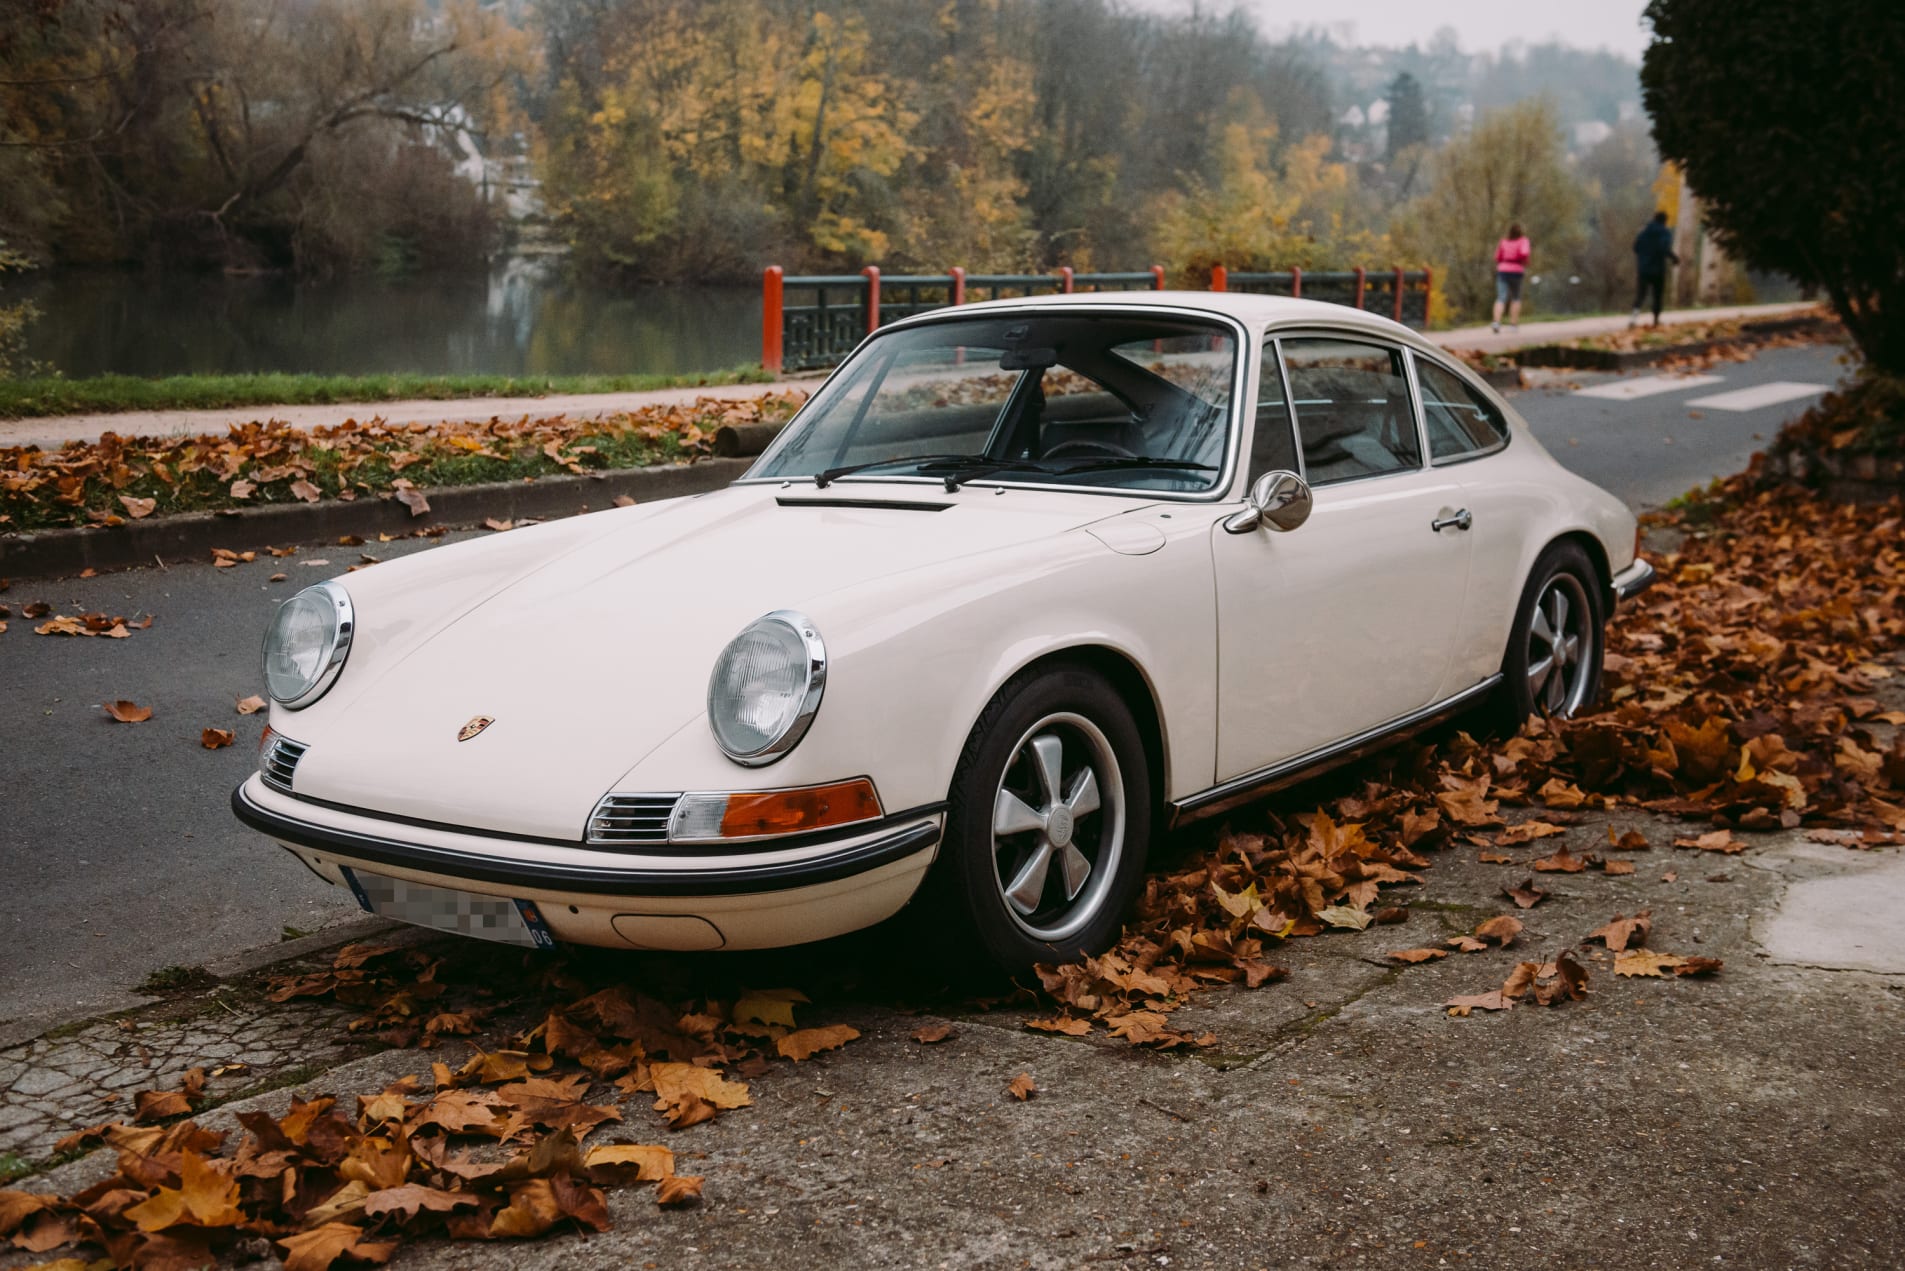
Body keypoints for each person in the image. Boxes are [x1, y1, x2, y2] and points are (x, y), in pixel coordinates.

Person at [1631, 210, 1680, 327]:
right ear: (1665, 221)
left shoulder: (1643, 232)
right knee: (1657, 295)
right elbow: (1664, 248)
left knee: (1641, 293)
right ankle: (1655, 320)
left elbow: (1635, 247)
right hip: (1658, 268)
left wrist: (1644, 257)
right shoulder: (1665, 232)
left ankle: (1633, 318)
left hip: (1643, 268)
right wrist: (1674, 258)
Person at [1492, 223, 1530, 333]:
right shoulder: (1523, 240)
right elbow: (1524, 253)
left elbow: (1497, 257)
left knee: (1501, 297)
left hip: (1503, 270)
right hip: (1516, 270)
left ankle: (1496, 323)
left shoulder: (1503, 241)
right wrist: (1523, 261)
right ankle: (1513, 324)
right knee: (1516, 297)